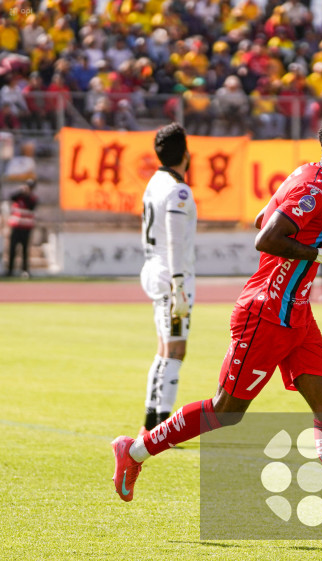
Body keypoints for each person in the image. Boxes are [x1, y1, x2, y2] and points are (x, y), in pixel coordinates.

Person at [111, 112, 322, 543]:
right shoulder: (315, 189)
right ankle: (134, 450)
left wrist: (314, 247)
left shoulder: (311, 177)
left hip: (297, 314)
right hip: (266, 313)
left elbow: (262, 218)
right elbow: (265, 237)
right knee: (226, 411)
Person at [137, 123, 196, 436]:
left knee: (164, 349)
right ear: (186, 153)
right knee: (176, 349)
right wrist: (179, 287)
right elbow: (173, 239)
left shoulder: (155, 182)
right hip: (171, 275)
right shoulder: (178, 189)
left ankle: (152, 418)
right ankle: (160, 425)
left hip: (154, 268)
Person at [5, 179, 38, 278]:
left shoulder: (32, 198)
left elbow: (31, 206)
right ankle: (10, 271)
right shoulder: (18, 197)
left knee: (24, 251)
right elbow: (11, 197)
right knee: (12, 250)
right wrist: (20, 191)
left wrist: (26, 194)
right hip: (16, 227)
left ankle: (25, 271)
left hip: (26, 228)